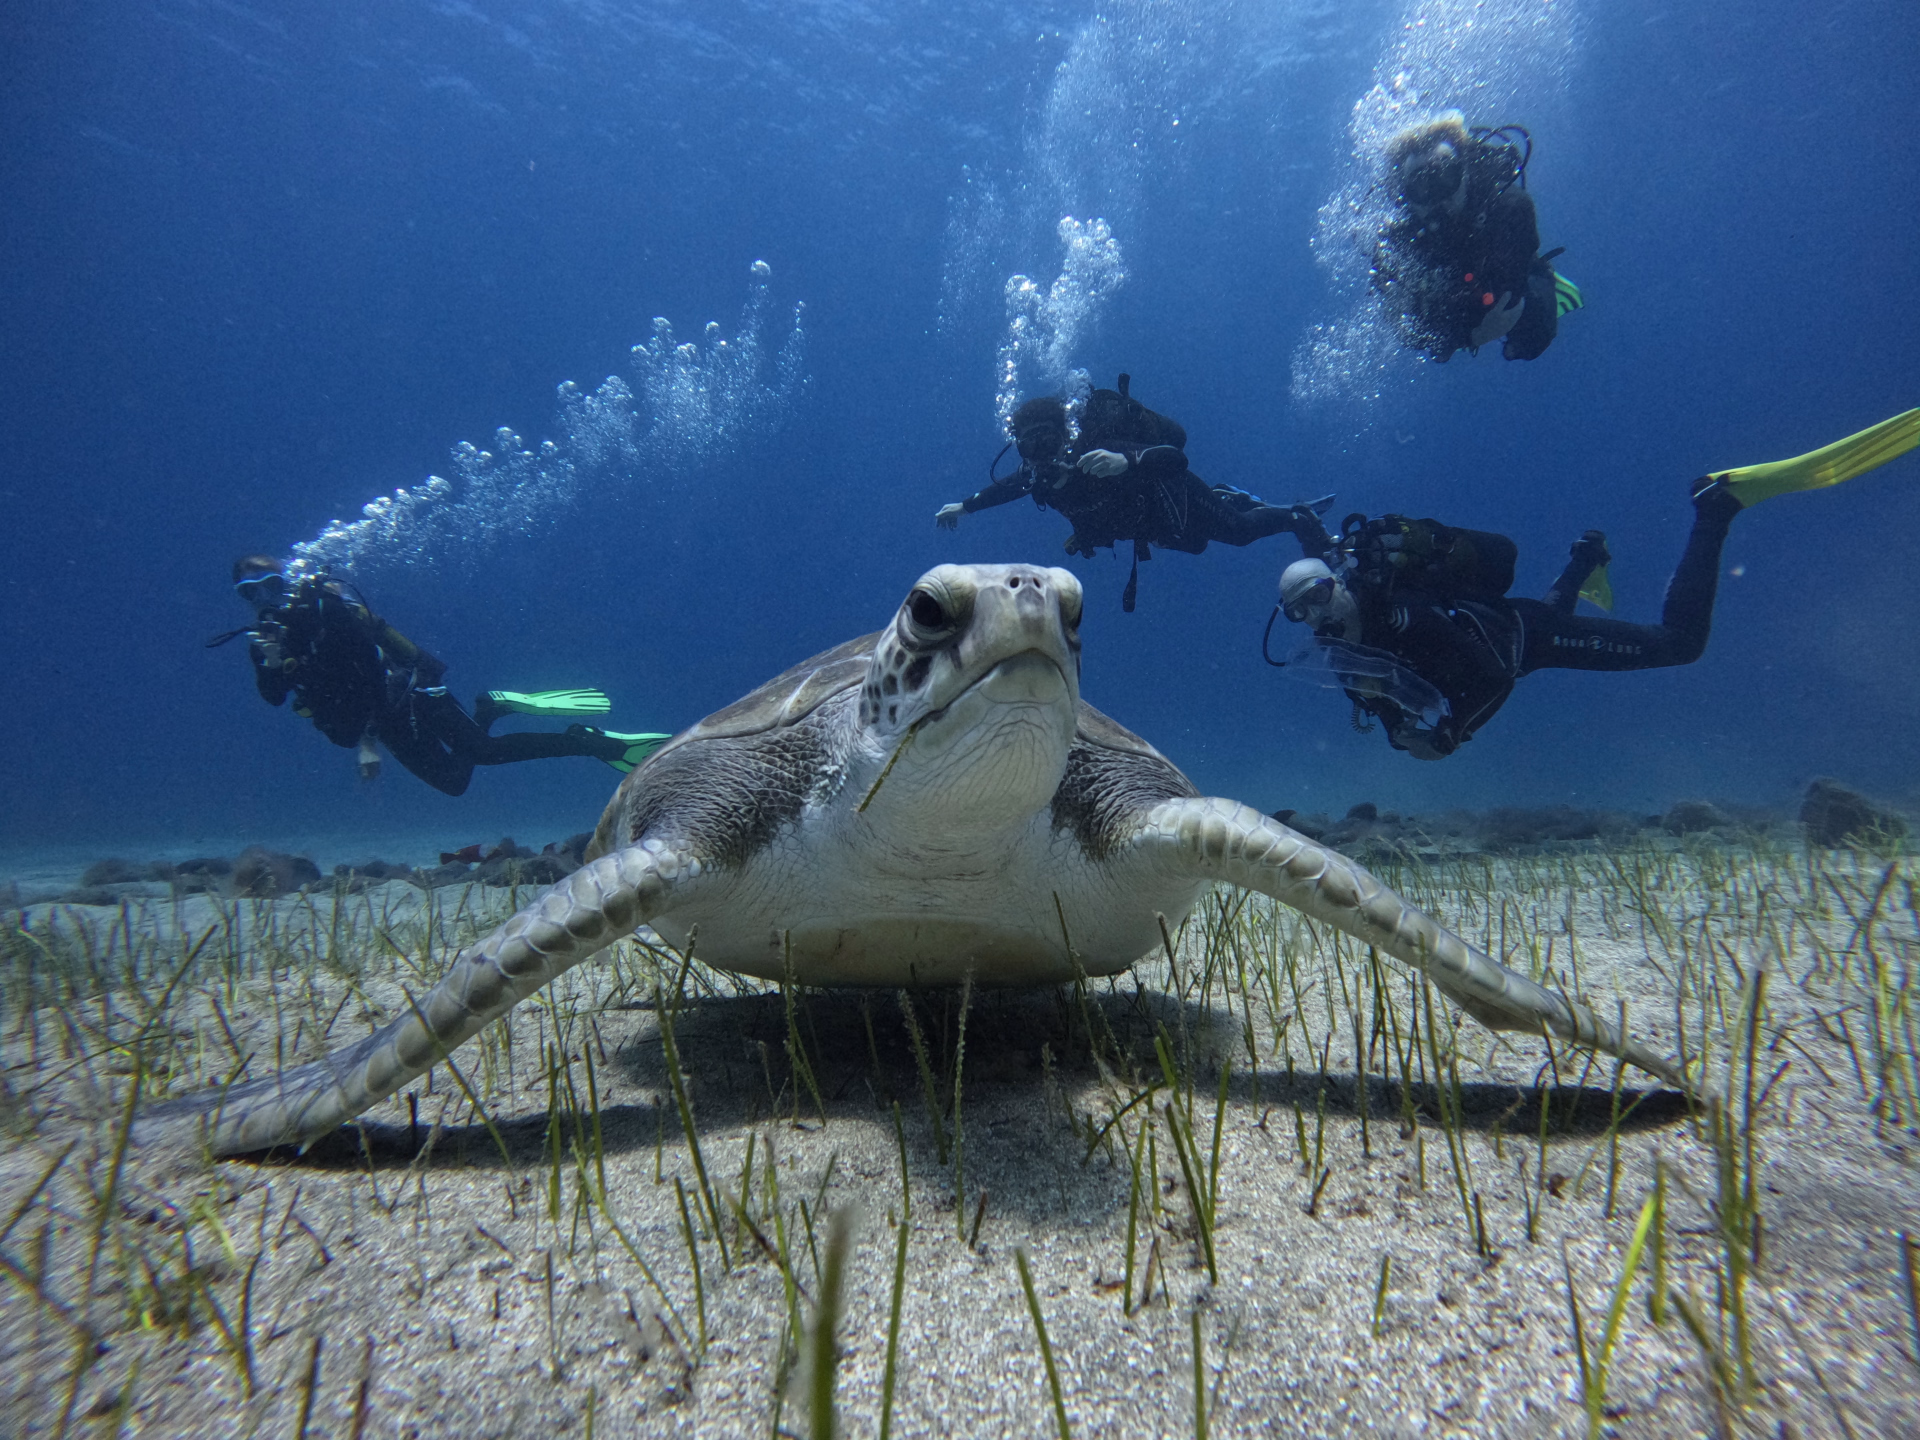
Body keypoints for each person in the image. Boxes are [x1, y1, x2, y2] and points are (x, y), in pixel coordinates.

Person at [1271, 406, 1920, 758]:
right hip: (1519, 625)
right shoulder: (1344, 653)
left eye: (1319, 595)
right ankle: (1586, 554)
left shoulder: (1399, 615)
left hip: (1521, 642)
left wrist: (1450, 732)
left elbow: (1492, 677)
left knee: (1675, 643)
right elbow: (1392, 701)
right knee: (1552, 607)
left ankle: (1716, 509)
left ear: (1341, 585)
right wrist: (1400, 731)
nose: (1316, 616)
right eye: (1299, 612)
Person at [214, 557, 670, 794]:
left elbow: (373, 673)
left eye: (271, 586)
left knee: (483, 753)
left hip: (411, 696)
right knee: (455, 783)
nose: (264, 599)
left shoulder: (327, 612)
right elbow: (273, 697)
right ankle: (488, 709)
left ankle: (589, 742)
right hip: (382, 722)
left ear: (285, 579)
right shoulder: (266, 642)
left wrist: (368, 743)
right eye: (249, 593)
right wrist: (272, 662)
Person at [935, 375, 1330, 611]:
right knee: (1197, 546)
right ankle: (1229, 495)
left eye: (1047, 441)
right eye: (1028, 446)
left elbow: (1176, 458)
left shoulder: (1097, 452)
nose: (1039, 455)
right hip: (1151, 526)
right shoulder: (1032, 477)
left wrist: (1130, 462)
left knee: (1240, 532)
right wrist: (964, 507)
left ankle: (1296, 517)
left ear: (1064, 436)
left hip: (1176, 497)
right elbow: (1001, 491)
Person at [1369, 115, 1583, 363]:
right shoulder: (1396, 244)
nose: (1439, 196)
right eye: (1422, 187)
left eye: (1446, 176)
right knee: (1435, 337)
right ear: (1406, 198)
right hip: (1448, 300)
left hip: (1498, 273)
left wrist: (1490, 323)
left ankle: (1545, 281)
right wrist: (1469, 337)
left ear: (1466, 172)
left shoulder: (1510, 207)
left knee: (1534, 335)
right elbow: (1406, 331)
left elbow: (1509, 293)